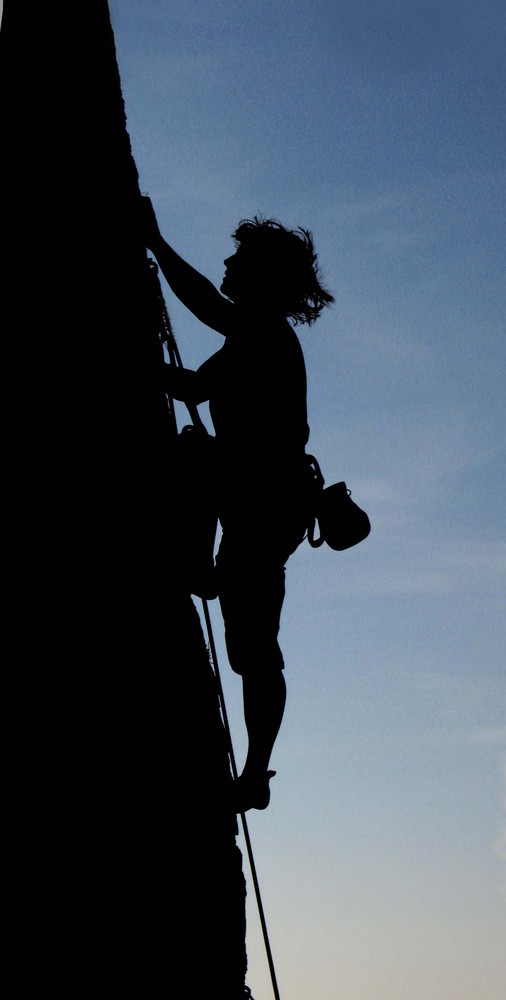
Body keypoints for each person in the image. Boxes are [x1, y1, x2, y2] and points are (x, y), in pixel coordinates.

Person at [141, 196, 334, 813]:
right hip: (264, 501)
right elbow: (197, 384)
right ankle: (252, 774)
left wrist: (157, 243)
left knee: (254, 649)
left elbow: (206, 307)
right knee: (251, 646)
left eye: (237, 260)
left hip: (264, 499)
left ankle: (254, 774)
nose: (227, 264)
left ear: (262, 277)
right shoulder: (258, 337)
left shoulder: (261, 331)